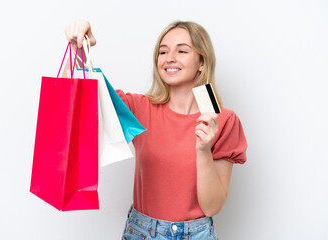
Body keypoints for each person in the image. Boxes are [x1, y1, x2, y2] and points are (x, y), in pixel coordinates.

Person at [65, 19, 247, 240]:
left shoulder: (223, 121)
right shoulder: (139, 108)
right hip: (142, 232)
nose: (170, 58)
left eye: (182, 51)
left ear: (202, 62)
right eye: (163, 52)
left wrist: (203, 150)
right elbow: (81, 96)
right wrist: (79, 49)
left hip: (198, 234)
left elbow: (211, 207)